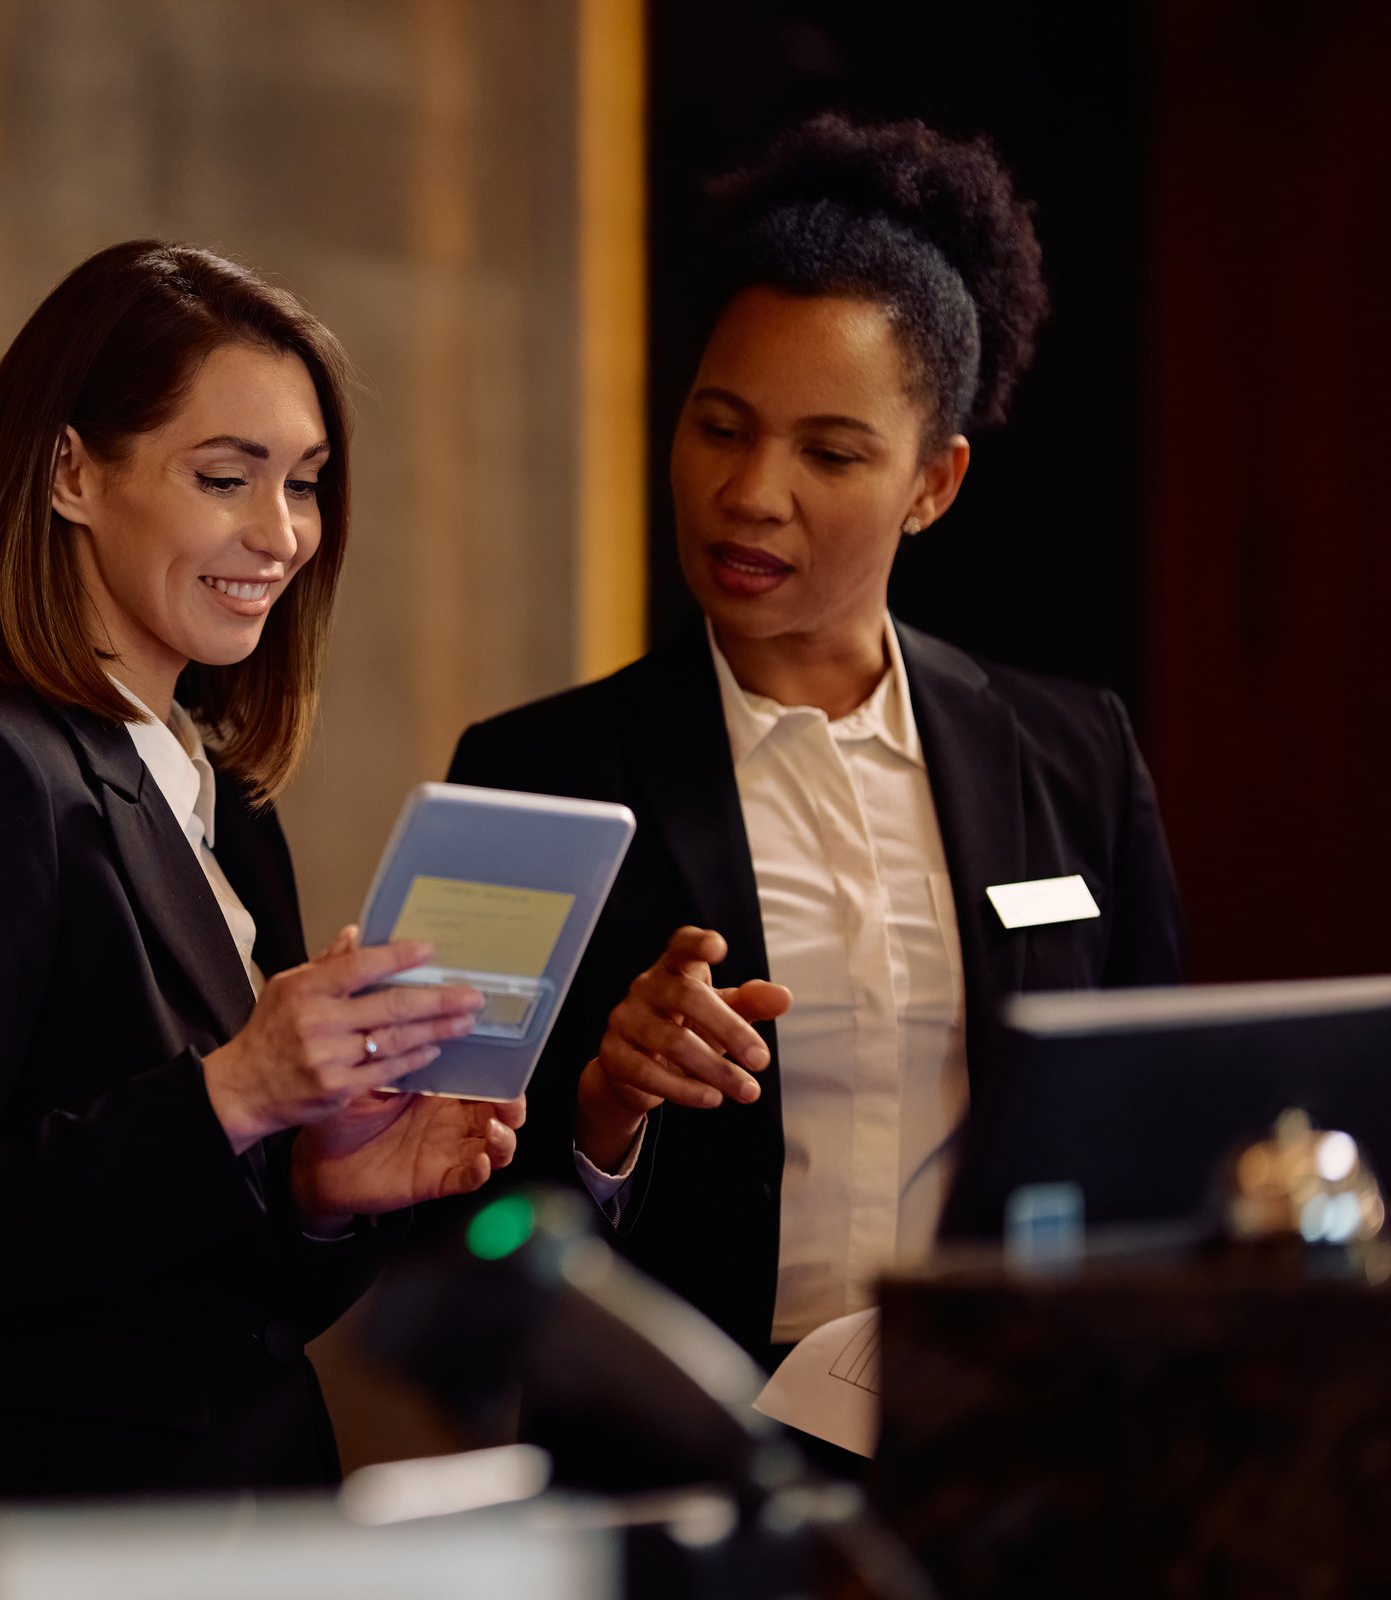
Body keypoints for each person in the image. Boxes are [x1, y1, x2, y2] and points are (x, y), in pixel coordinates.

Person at [0, 241, 524, 1598]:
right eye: (224, 475)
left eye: (304, 484)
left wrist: (323, 1199)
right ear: (73, 471)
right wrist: (235, 1093)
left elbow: (222, 1309)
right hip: (47, 1555)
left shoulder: (224, 801)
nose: (282, 534)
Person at [448, 116, 1183, 1385]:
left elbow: (1155, 1130)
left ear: (933, 483)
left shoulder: (1074, 755)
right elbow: (438, 1234)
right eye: (721, 426)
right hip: (694, 1461)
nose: (751, 492)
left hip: (1005, 1439)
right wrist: (604, 1116)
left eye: (831, 452)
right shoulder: (527, 776)